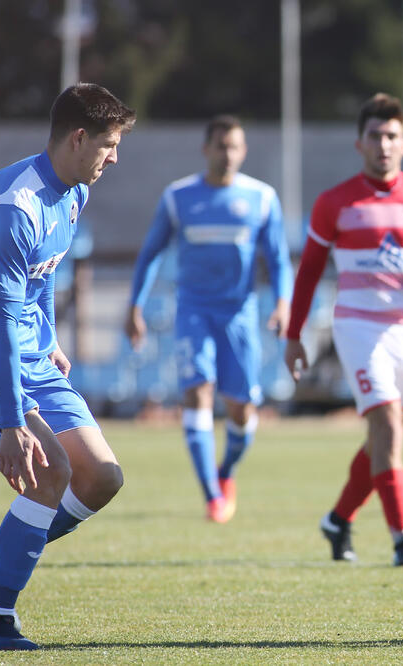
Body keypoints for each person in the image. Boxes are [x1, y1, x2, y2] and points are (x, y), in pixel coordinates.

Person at [0, 83, 135, 650]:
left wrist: (47, 340)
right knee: (52, 473)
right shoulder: (13, 209)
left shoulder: (73, 192)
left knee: (102, 478)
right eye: (109, 145)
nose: (114, 157)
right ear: (78, 137)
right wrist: (14, 422)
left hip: (23, 346)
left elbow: (43, 276)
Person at [284, 93, 403, 566]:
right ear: (359, 143)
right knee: (387, 425)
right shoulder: (335, 202)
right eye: (374, 136)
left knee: (383, 439)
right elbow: (308, 272)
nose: (383, 145)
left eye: (391, 136)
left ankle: (339, 519)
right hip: (357, 328)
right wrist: (294, 335)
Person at [125, 114, 293, 524]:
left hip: (239, 315)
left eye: (235, 146)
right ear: (206, 150)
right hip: (193, 311)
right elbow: (150, 253)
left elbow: (278, 258)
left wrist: (283, 302)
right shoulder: (178, 197)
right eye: (220, 145)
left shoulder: (262, 198)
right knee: (197, 394)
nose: (228, 153)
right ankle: (212, 496)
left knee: (241, 409)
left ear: (244, 151)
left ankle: (226, 473)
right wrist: (135, 305)